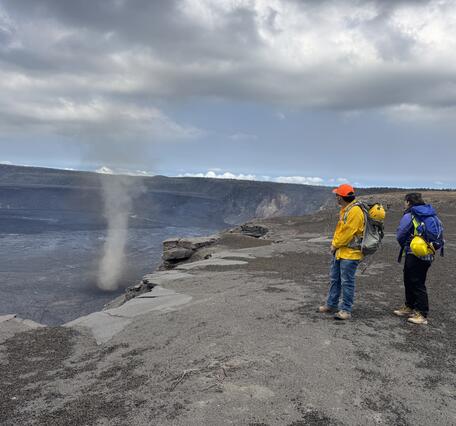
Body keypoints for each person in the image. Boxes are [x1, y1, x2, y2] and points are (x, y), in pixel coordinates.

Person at [319, 184, 365, 320]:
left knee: (347, 282)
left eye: (337, 195)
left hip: (350, 254)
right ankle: (331, 304)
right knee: (335, 279)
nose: (336, 198)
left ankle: (346, 309)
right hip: (341, 252)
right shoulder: (347, 209)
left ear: (341, 197)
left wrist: (334, 245)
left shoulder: (355, 211)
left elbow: (347, 233)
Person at [395, 193, 441, 325]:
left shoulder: (410, 215)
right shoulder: (432, 215)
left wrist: (406, 246)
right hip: (428, 253)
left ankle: (421, 313)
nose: (404, 204)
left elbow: (401, 233)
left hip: (413, 253)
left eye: (405, 202)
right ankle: (410, 307)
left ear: (409, 202)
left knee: (415, 282)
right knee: (415, 280)